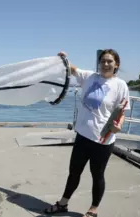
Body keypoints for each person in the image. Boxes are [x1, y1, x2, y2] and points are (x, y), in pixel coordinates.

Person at [44, 49, 130, 217]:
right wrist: (62, 59)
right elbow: (72, 69)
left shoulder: (120, 86)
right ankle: (63, 204)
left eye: (109, 61)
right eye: (103, 61)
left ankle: (93, 210)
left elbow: (122, 112)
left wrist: (118, 126)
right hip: (83, 136)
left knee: (97, 175)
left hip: (103, 140)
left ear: (116, 65)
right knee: (74, 172)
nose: (105, 64)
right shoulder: (90, 77)